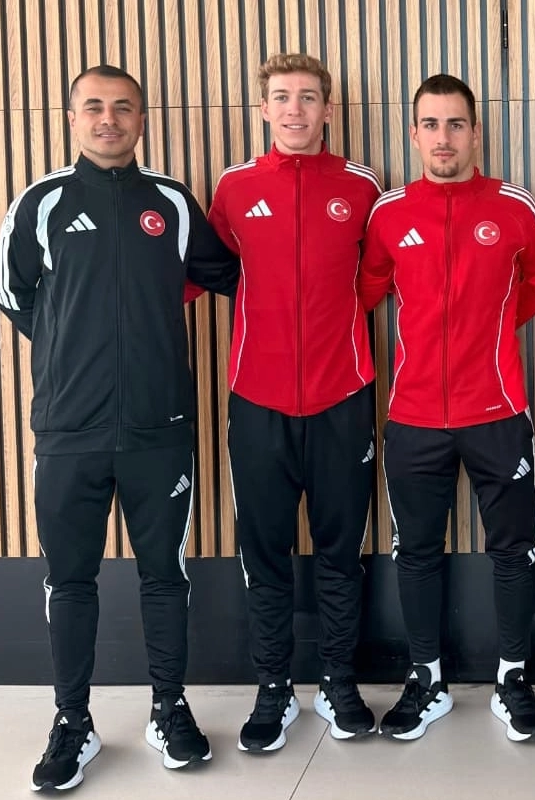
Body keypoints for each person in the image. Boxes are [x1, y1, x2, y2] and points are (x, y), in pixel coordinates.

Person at [0, 65, 237, 791]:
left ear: (141, 119)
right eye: (94, 107)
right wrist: (69, 350)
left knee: (165, 575)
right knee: (70, 579)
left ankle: (169, 708)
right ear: (73, 118)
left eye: (123, 107)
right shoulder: (42, 202)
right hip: (68, 430)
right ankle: (73, 721)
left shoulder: (171, 201)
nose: (109, 119)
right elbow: (13, 292)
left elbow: (224, 273)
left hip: (160, 428)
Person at [357, 73, 535, 742]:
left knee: (513, 549)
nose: (443, 137)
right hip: (413, 415)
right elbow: (361, 295)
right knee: (416, 550)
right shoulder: (388, 213)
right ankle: (427, 679)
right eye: (431, 124)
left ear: (476, 132)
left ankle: (513, 678)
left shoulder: (514, 206)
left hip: (497, 411)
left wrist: (493, 326)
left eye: (456, 124)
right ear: (413, 134)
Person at [206, 53, 383, 753]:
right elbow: (212, 269)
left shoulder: (363, 186)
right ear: (263, 108)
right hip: (258, 398)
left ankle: (339, 681)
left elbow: (379, 276)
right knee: (265, 551)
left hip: (344, 395)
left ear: (328, 110)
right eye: (281, 97)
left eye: (309, 97)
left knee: (342, 550)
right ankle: (273, 688)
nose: (295, 109)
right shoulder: (234, 187)